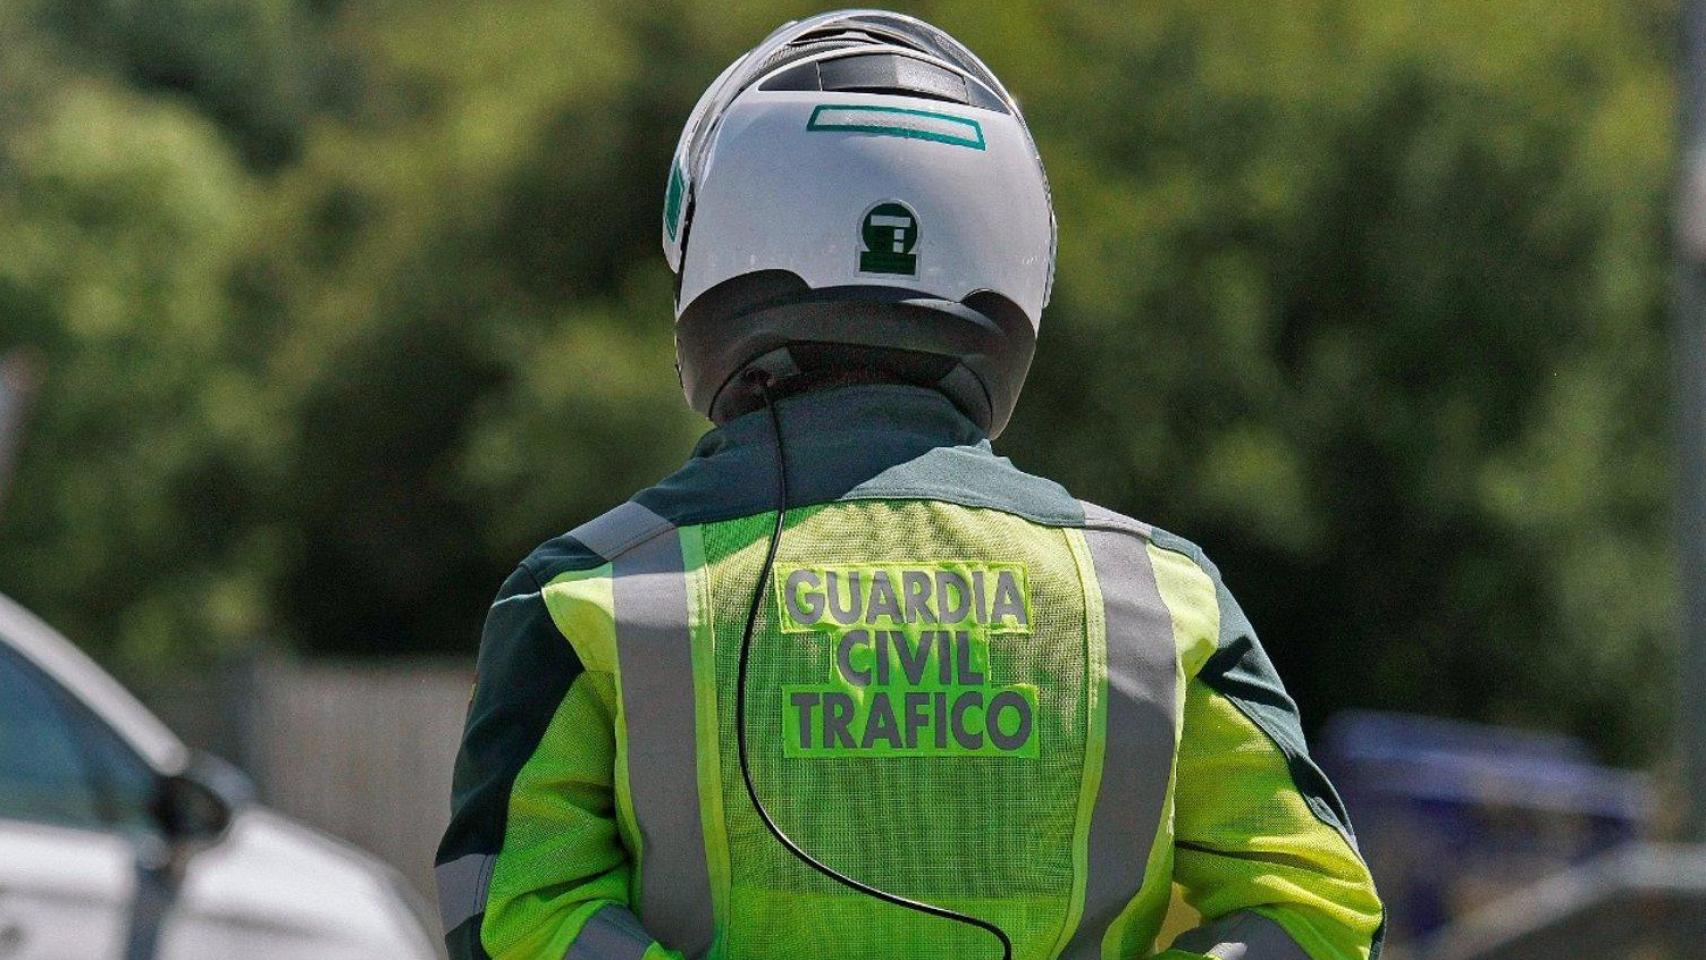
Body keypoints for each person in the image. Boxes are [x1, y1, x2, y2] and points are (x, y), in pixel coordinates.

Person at [434, 10, 1383, 960]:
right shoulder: (1162, 601)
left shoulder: (578, 597)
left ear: (708, 241)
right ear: (1019, 265)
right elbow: (1321, 919)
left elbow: (514, 925)